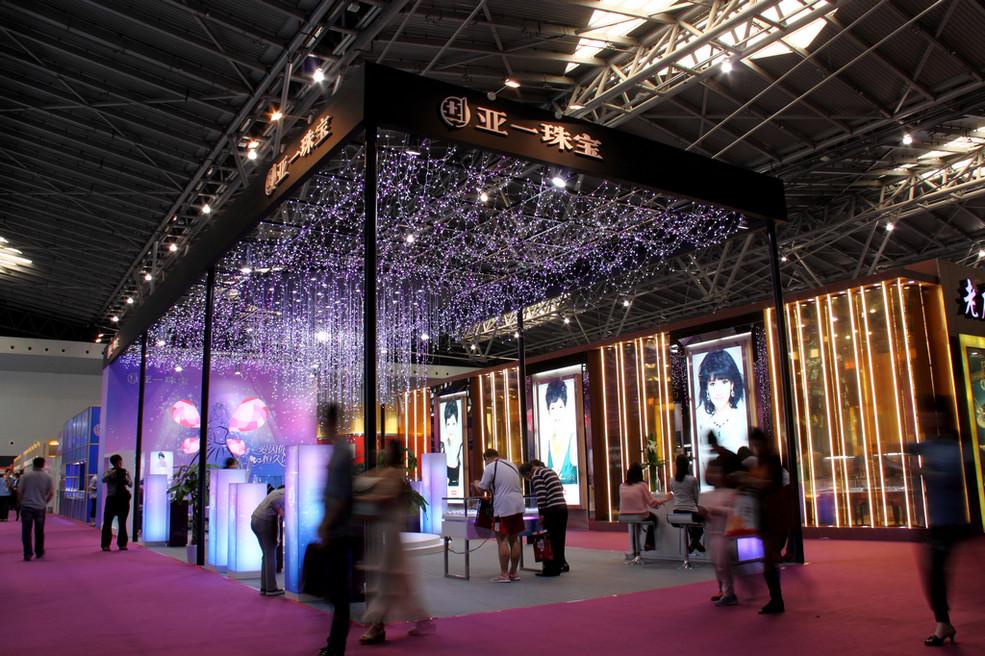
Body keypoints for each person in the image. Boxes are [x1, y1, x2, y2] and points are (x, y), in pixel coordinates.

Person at [906, 395, 969, 646]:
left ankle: (943, 623)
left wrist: (922, 471)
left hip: (950, 520)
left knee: (935, 573)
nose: (922, 418)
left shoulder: (951, 447)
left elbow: (950, 474)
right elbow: (914, 447)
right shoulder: (934, 444)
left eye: (926, 414)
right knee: (934, 572)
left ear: (939, 416)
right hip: (940, 520)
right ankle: (943, 622)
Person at [359, 441, 434, 644]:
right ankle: (421, 619)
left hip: (388, 534)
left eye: (386, 451)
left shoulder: (393, 474)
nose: (382, 453)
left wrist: (363, 500)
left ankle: (377, 626)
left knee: (386, 581)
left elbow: (383, 498)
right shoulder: (388, 473)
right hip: (385, 533)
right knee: (399, 581)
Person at [318, 404, 354, 656]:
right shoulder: (338, 451)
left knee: (339, 593)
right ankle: (335, 643)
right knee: (337, 591)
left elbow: (340, 497)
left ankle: (336, 646)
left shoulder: (340, 453)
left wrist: (326, 524)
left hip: (339, 531)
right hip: (337, 530)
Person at [746, 429, 787, 614]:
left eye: (755, 444)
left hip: (772, 515)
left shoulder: (770, 460)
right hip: (767, 515)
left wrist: (752, 481)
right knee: (768, 560)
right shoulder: (768, 459)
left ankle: (776, 599)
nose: (754, 448)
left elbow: (768, 483)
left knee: (768, 560)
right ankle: (776, 599)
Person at [473, 448, 525, 583]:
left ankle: (504, 574)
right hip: (518, 505)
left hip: (503, 507)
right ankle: (514, 572)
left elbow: (482, 489)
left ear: (487, 458)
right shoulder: (512, 465)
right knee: (514, 539)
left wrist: (476, 484)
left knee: (502, 540)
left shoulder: (490, 467)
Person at [520, 460, 568, 576]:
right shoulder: (549, 471)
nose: (529, 480)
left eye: (526, 478)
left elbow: (541, 496)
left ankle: (551, 569)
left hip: (551, 510)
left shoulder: (537, 475)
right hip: (562, 507)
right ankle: (560, 564)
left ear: (527, 473)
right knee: (559, 539)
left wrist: (541, 513)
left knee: (550, 540)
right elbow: (560, 487)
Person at [702, 458, 739, 607]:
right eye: (711, 472)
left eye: (716, 472)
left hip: (726, 534)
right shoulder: (707, 495)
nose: (713, 475)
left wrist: (713, 510)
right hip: (713, 533)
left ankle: (729, 593)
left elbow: (734, 512)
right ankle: (725, 591)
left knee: (723, 565)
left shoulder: (731, 493)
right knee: (718, 565)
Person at [695, 350, 748, 455]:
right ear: (706, 388)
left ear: (732, 384)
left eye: (724, 382)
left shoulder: (742, 420)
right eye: (712, 384)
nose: (718, 391)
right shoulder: (703, 426)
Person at [618, 462, 664, 552]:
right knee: (654, 519)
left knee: (635, 525)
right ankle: (648, 544)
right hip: (639, 515)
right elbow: (651, 503)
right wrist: (663, 500)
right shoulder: (642, 485)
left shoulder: (622, 485)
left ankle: (635, 550)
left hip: (623, 515)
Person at [251, 486, 286, 597]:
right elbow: (277, 506)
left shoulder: (276, 492)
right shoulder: (284, 494)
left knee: (266, 554)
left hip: (255, 519)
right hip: (264, 522)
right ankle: (271, 588)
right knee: (270, 554)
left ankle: (265, 587)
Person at [18, 457, 54, 561]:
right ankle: (39, 551)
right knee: (39, 530)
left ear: (33, 464)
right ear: (43, 465)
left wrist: (20, 502)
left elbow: (19, 491)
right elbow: (51, 493)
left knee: (26, 531)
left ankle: (27, 553)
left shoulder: (25, 476)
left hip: (26, 506)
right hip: (40, 507)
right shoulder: (48, 477)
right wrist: (44, 502)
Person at [542, 379, 577, 485]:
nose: (557, 412)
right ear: (548, 411)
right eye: (553, 408)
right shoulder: (546, 444)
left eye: (560, 407)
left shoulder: (574, 440)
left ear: (565, 408)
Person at [668, 454, 704, 553]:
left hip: (676, 514)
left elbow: (673, 492)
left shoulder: (671, 480)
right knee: (700, 523)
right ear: (688, 465)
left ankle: (693, 543)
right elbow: (696, 497)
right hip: (691, 512)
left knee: (687, 523)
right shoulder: (692, 480)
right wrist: (695, 506)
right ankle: (694, 542)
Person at [101, 454, 132, 552]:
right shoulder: (109, 472)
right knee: (107, 523)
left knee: (122, 523)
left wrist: (125, 478)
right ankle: (106, 545)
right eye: (118, 462)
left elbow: (130, 484)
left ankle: (122, 544)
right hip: (112, 499)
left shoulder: (125, 472)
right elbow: (103, 479)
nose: (119, 463)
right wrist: (113, 473)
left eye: (119, 461)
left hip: (123, 499)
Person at [441, 401, 464, 494]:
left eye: (453, 424)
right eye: (448, 424)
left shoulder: (461, 446)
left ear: (457, 424)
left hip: (459, 492)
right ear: (445, 425)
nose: (451, 428)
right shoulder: (442, 445)